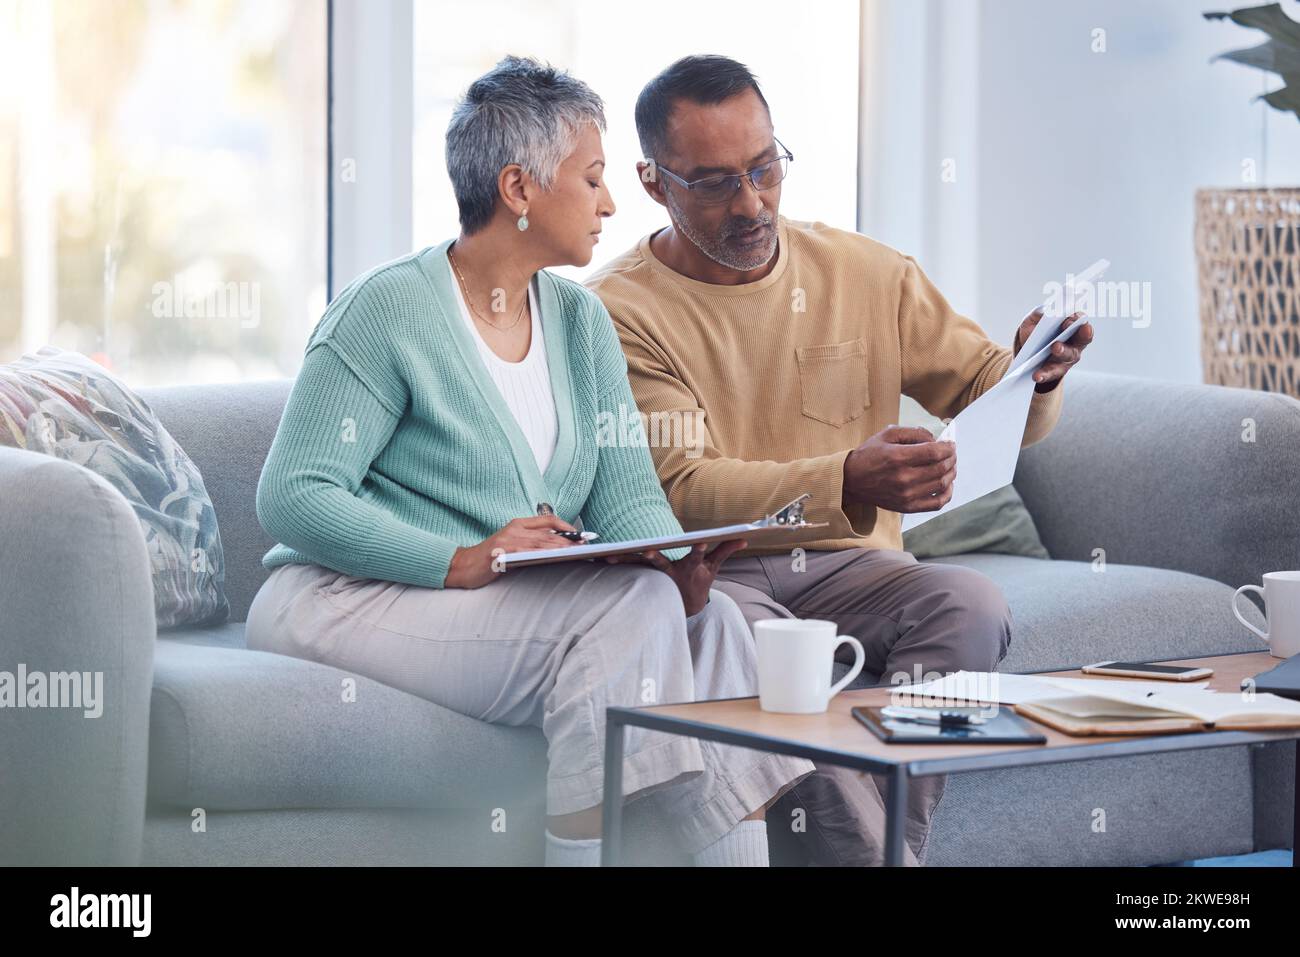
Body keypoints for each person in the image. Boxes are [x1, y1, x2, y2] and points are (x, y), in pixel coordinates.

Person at [244, 55, 814, 867]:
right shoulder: (388, 310)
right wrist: (463, 559)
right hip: (344, 596)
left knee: (713, 620)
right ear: (518, 189)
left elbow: (628, 505)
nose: (612, 202)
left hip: (496, 605)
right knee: (630, 613)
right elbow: (295, 495)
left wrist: (681, 566)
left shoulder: (581, 324)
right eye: (592, 179)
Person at [585, 54, 1093, 866]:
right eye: (714, 183)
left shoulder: (866, 271)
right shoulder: (615, 312)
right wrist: (846, 476)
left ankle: (876, 849)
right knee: (750, 651)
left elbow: (983, 389)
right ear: (653, 180)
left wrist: (1036, 372)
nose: (751, 203)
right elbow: (682, 491)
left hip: (855, 567)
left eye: (764, 168)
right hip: (721, 572)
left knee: (970, 601)